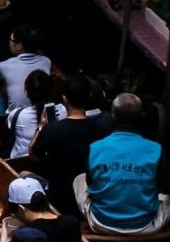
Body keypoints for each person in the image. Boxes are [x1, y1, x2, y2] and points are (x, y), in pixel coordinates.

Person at [78, 93, 170, 236]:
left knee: (79, 180)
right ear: (142, 117)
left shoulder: (96, 147)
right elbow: (168, 187)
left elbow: (90, 182)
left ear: (113, 116)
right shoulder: (155, 149)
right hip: (145, 226)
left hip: (101, 223)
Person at [31, 74, 110, 210]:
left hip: (58, 200)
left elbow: (32, 155)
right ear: (89, 96)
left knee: (23, 175)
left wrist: (41, 126)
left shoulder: (52, 129)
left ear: (64, 99)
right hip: (89, 199)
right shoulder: (100, 130)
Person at [0, 25, 52, 115]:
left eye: (11, 40)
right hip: (41, 111)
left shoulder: (3, 66)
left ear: (19, 46)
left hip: (15, 117)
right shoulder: (47, 62)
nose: (9, 42)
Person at [6, 69, 61, 159]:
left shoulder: (17, 115)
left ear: (27, 93)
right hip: (53, 162)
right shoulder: (63, 110)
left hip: (20, 164)